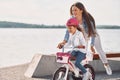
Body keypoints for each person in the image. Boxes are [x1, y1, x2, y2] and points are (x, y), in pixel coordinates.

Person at [58, 2, 112, 75]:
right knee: (82, 51)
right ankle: (84, 68)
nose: (73, 12)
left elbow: (92, 33)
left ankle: (106, 65)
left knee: (99, 50)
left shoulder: (88, 20)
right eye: (72, 10)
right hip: (83, 35)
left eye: (75, 10)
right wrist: (64, 41)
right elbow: (68, 31)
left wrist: (92, 45)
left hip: (92, 33)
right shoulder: (72, 18)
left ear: (81, 10)